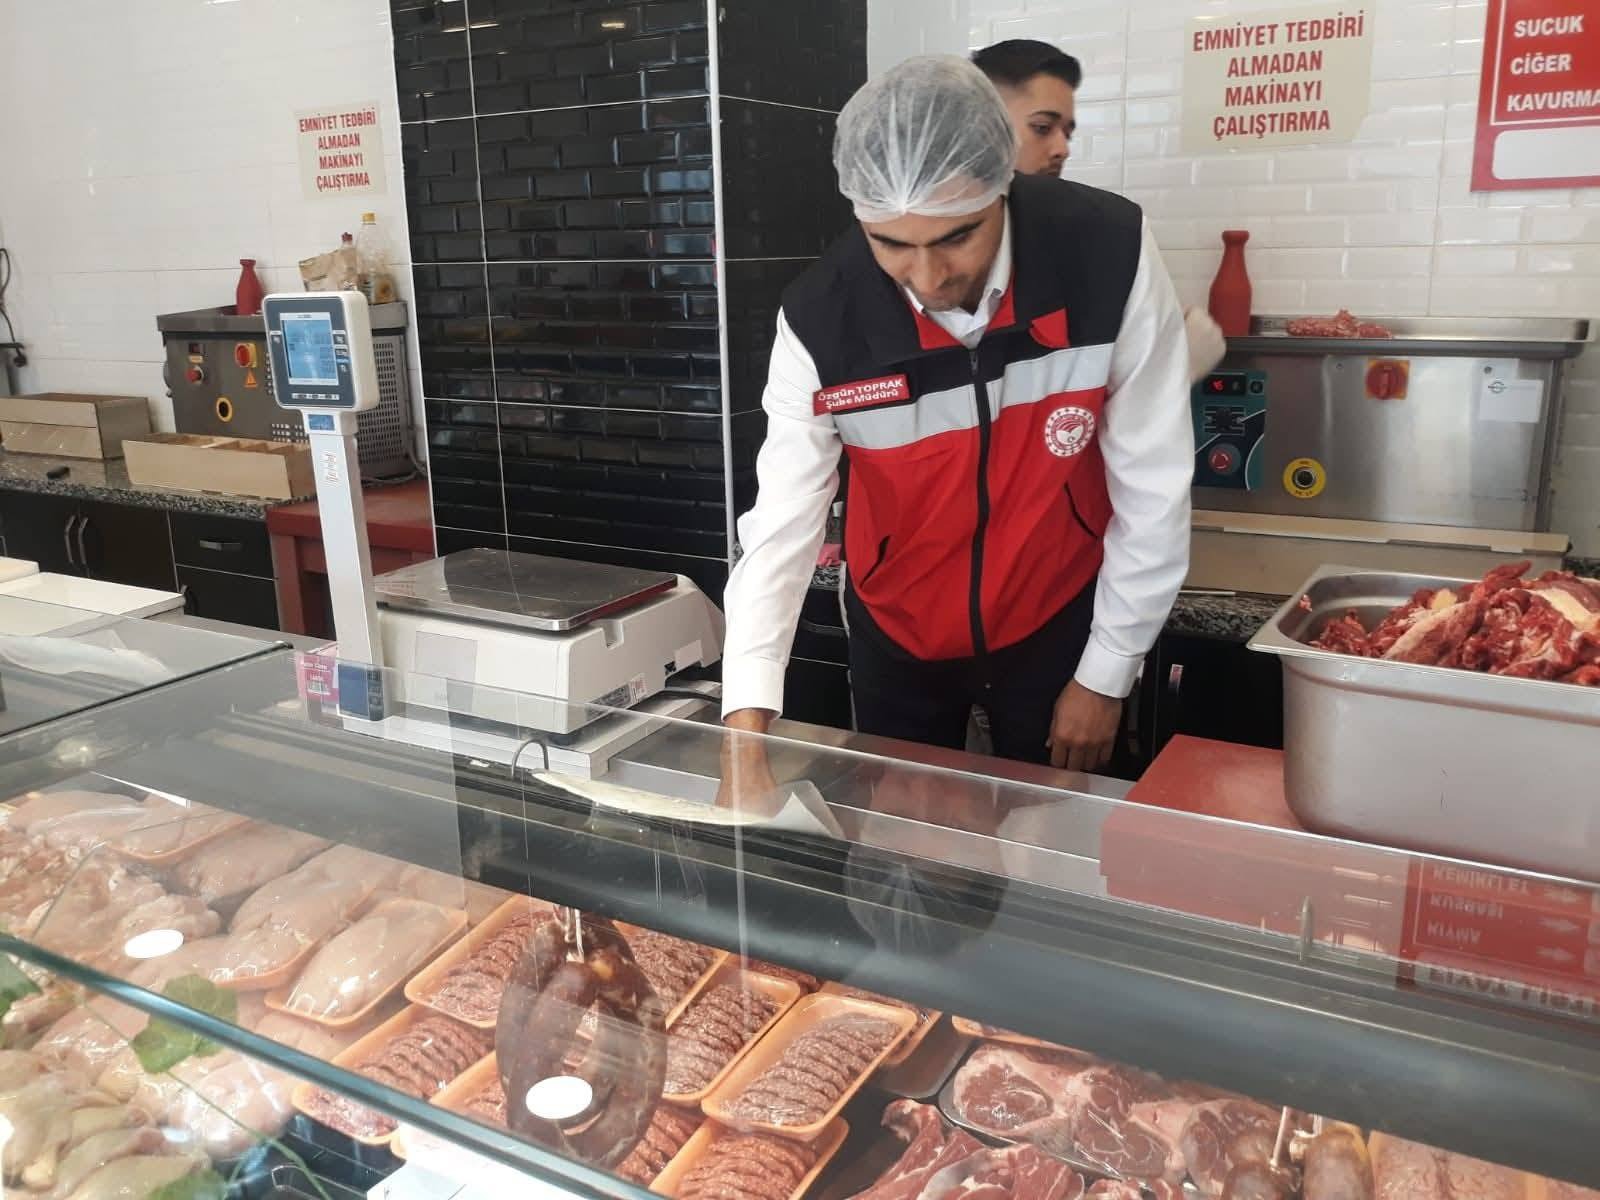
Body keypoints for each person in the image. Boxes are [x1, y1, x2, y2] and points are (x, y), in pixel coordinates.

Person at [718, 56, 1193, 796]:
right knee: (905, 847)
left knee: (1057, 838)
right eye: (891, 244)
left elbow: (1154, 479)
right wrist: (745, 730)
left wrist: (1107, 671)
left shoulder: (1108, 252)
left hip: (1055, 619)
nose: (929, 277)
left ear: (1002, 185)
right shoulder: (821, 318)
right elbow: (781, 524)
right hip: (898, 634)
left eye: (956, 237)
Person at [974, 38, 1228, 384]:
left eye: (1067, 133)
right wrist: (1174, 373)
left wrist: (1163, 366)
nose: (1062, 149)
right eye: (1042, 128)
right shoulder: (934, 250)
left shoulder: (1100, 240)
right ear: (980, 127)